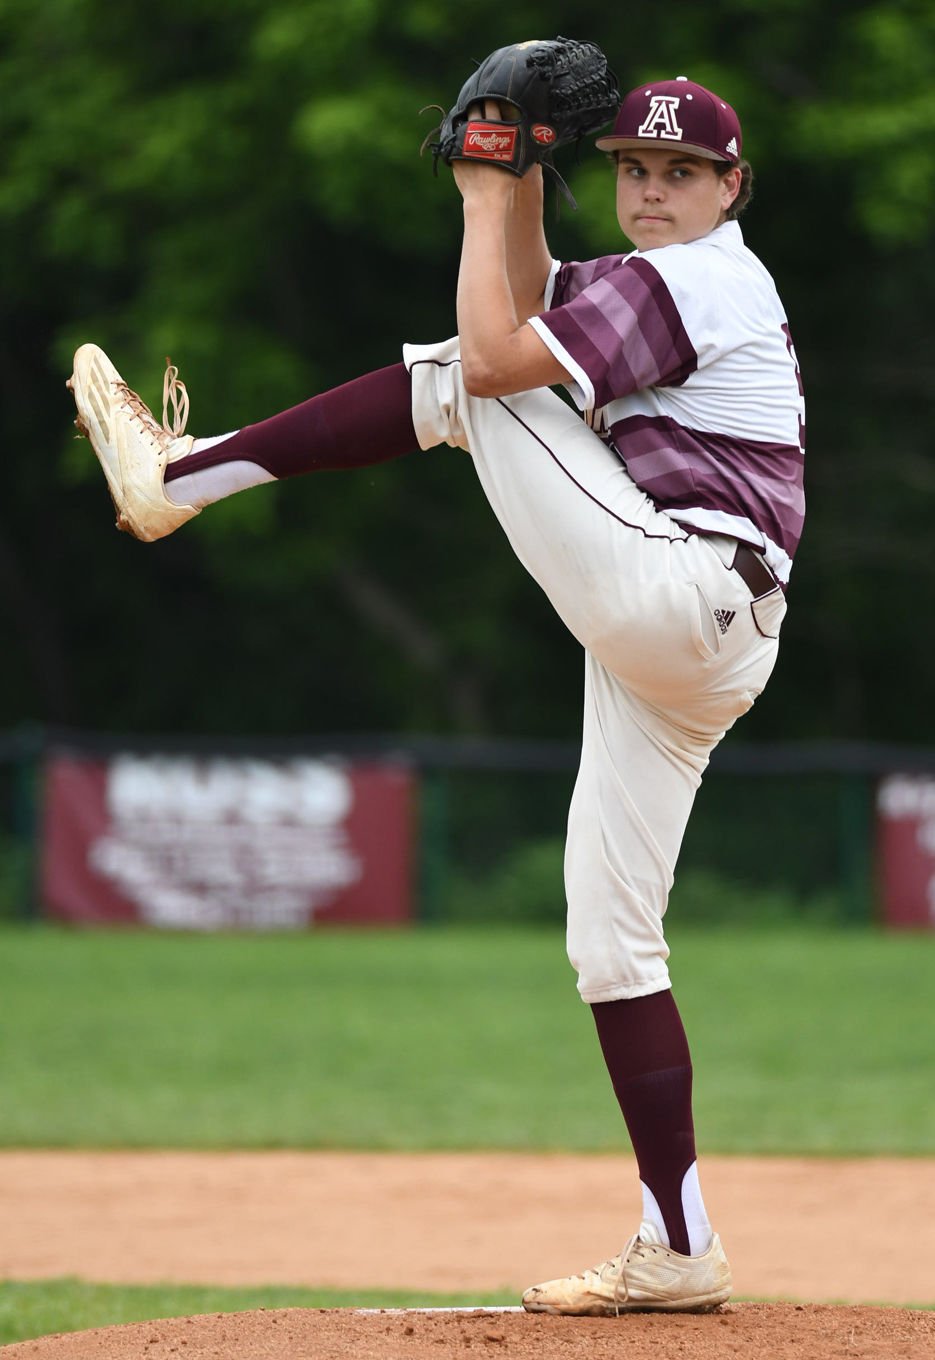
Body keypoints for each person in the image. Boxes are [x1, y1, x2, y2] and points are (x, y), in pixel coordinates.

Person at [68, 71, 805, 1316]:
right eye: (631, 167)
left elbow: (495, 352)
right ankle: (678, 1243)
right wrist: (512, 179)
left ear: (730, 187)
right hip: (699, 629)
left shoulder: (699, 279)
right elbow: (529, 297)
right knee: (609, 942)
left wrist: (476, 193)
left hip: (685, 588)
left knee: (463, 381)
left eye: (679, 172)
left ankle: (177, 479)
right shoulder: (657, 281)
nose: (649, 189)